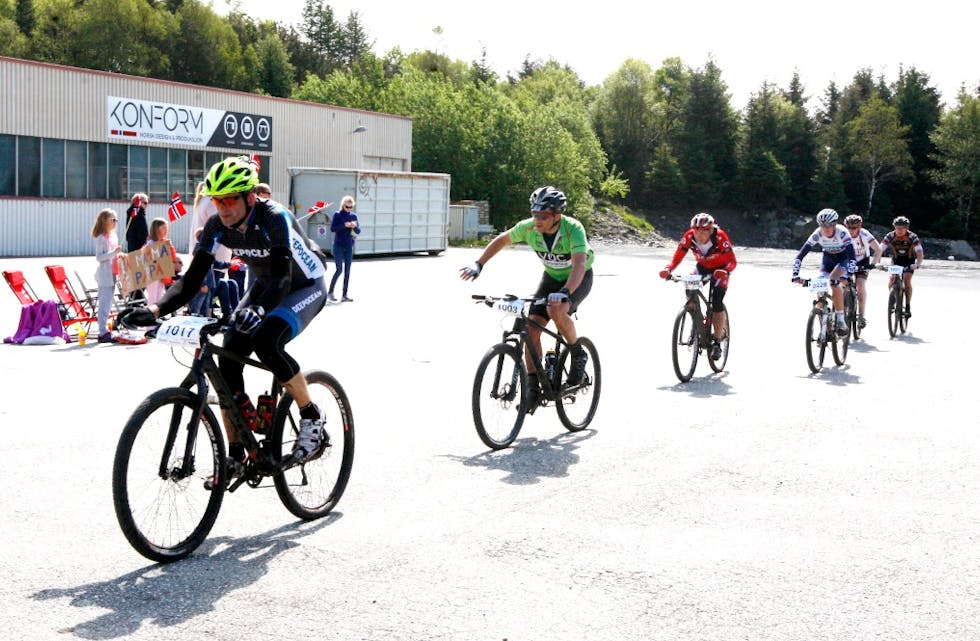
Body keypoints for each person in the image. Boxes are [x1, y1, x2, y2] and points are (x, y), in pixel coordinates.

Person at [120, 155, 330, 470]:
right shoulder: (218, 225)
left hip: (302, 285)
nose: (224, 208)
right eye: (218, 201)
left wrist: (258, 310)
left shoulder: (274, 217)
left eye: (231, 200)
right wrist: (154, 309)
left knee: (267, 341)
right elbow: (191, 280)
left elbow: (284, 277)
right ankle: (237, 451)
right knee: (228, 357)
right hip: (266, 283)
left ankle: (311, 415)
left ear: (250, 197)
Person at [460, 186, 594, 402]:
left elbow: (579, 264)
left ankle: (578, 354)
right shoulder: (529, 228)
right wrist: (479, 264)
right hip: (550, 278)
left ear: (557, 215)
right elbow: (502, 240)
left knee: (557, 310)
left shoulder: (573, 229)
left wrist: (566, 292)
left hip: (578, 278)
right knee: (531, 329)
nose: (537, 219)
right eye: (534, 214)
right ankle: (533, 385)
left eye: (543, 215)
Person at [659, 212, 737, 361]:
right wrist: (668, 269)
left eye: (703, 231)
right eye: (696, 231)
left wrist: (725, 271)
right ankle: (699, 322)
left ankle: (718, 340)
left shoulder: (720, 237)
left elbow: (732, 261)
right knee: (689, 290)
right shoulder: (689, 236)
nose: (699, 235)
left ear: (711, 230)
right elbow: (678, 255)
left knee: (717, 301)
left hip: (721, 270)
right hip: (702, 268)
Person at [791, 208, 856, 337]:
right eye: (822, 226)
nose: (825, 229)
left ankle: (841, 320)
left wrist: (848, 275)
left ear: (835, 224)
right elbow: (800, 255)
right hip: (827, 261)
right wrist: (795, 274)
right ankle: (823, 328)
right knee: (819, 286)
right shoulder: (818, 233)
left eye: (829, 226)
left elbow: (852, 257)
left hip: (842, 260)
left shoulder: (842, 233)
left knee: (834, 283)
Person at [873, 215, 924, 317]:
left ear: (906, 228)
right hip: (896, 260)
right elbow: (880, 249)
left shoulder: (912, 237)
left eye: (901, 229)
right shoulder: (890, 236)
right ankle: (893, 296)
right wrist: (878, 262)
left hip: (909, 261)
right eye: (897, 228)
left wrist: (917, 264)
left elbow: (919, 252)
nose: (899, 231)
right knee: (892, 278)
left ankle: (908, 305)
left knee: (907, 279)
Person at [843, 214, 880, 328]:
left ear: (859, 227)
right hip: (848, 260)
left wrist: (873, 264)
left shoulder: (864, 234)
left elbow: (878, 249)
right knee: (842, 284)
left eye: (854, 228)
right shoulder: (842, 234)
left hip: (862, 261)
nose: (851, 230)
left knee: (860, 285)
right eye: (848, 227)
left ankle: (862, 315)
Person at [91, 208, 122, 343]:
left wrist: (119, 255)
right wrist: (113, 253)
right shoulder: (101, 238)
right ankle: (102, 331)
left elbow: (114, 254)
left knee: (109, 303)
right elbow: (99, 257)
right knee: (104, 303)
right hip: (104, 274)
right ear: (105, 221)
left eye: (116, 220)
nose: (115, 222)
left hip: (113, 272)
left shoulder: (113, 236)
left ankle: (105, 329)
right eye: (113, 220)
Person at [328, 195, 361, 302]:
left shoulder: (354, 216)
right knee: (339, 270)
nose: (349, 209)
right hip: (338, 245)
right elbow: (333, 229)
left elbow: (358, 231)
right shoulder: (337, 215)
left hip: (349, 245)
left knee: (347, 271)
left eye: (351, 207)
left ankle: (344, 295)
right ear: (343, 205)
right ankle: (330, 292)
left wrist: (354, 226)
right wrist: (344, 225)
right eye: (347, 207)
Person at [144, 218, 182, 306]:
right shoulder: (150, 243)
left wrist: (170, 247)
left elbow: (173, 259)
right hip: (153, 274)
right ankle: (150, 317)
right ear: (157, 229)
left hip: (162, 274)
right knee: (153, 298)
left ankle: (156, 317)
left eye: (166, 228)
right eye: (163, 228)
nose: (166, 230)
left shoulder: (164, 242)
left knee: (160, 297)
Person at [124, 192, 149, 302]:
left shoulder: (131, 215)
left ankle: (134, 300)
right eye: (144, 202)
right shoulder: (138, 215)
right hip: (138, 251)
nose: (146, 205)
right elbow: (143, 234)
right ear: (138, 202)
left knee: (136, 279)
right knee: (141, 280)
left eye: (147, 203)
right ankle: (136, 303)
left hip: (132, 250)